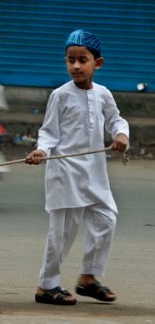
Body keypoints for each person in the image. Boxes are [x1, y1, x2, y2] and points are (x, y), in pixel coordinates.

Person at [26, 29, 129, 305]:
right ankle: (47, 286)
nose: (75, 66)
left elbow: (116, 121)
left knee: (107, 218)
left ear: (98, 63)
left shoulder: (104, 94)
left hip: (94, 172)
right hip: (65, 173)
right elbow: (49, 132)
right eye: (70, 59)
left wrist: (121, 136)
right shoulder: (60, 95)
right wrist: (41, 150)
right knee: (62, 233)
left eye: (82, 60)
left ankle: (89, 277)